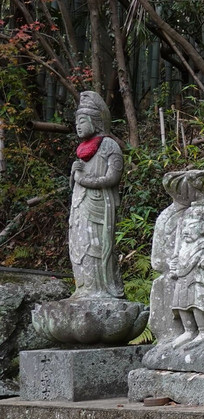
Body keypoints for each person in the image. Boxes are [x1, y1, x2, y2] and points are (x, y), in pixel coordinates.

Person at [68, 91, 124, 299]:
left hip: (99, 203)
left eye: (82, 121)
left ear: (95, 121)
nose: (78, 126)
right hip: (80, 204)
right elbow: (78, 179)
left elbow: (112, 178)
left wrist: (84, 179)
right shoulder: (82, 150)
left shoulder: (109, 145)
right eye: (76, 122)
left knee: (97, 245)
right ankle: (83, 288)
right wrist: (75, 174)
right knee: (78, 242)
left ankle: (101, 289)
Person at [168, 201, 204, 348]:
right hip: (183, 280)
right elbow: (178, 260)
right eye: (185, 226)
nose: (186, 231)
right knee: (181, 305)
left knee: (197, 304)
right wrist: (174, 266)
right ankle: (188, 331)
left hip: (201, 282)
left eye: (191, 226)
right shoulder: (185, 245)